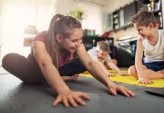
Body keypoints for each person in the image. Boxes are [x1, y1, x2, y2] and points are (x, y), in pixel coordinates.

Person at [2, 14, 135, 108]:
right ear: (59, 38)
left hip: (57, 69)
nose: (79, 44)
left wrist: (110, 84)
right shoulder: (41, 39)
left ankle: (55, 77)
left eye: (80, 39)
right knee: (9, 59)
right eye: (74, 41)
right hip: (36, 70)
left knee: (83, 62)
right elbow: (45, 64)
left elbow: (89, 62)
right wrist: (63, 90)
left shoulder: (78, 43)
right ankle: (53, 78)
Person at [128, 10, 164, 84]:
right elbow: (138, 60)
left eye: (140, 30)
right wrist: (141, 76)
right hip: (150, 65)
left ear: (150, 26)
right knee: (131, 70)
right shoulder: (140, 39)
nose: (138, 33)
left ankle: (156, 74)